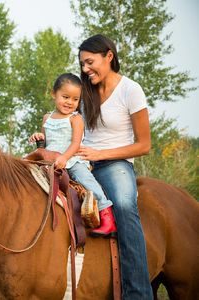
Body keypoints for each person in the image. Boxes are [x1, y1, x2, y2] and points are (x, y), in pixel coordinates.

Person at [77, 34, 152, 299]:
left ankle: (138, 293)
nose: (85, 70)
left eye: (90, 62)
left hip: (115, 164)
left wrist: (100, 153)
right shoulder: (84, 92)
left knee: (123, 204)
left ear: (109, 56)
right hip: (81, 163)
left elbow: (144, 144)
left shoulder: (130, 90)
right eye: (82, 64)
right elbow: (74, 128)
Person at [29, 73, 117, 237]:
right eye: (65, 97)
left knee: (86, 180)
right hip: (51, 162)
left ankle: (106, 213)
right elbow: (47, 142)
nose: (70, 102)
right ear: (53, 94)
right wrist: (39, 137)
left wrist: (64, 157)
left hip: (71, 160)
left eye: (75, 100)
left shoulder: (75, 119)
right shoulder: (47, 118)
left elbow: (76, 143)